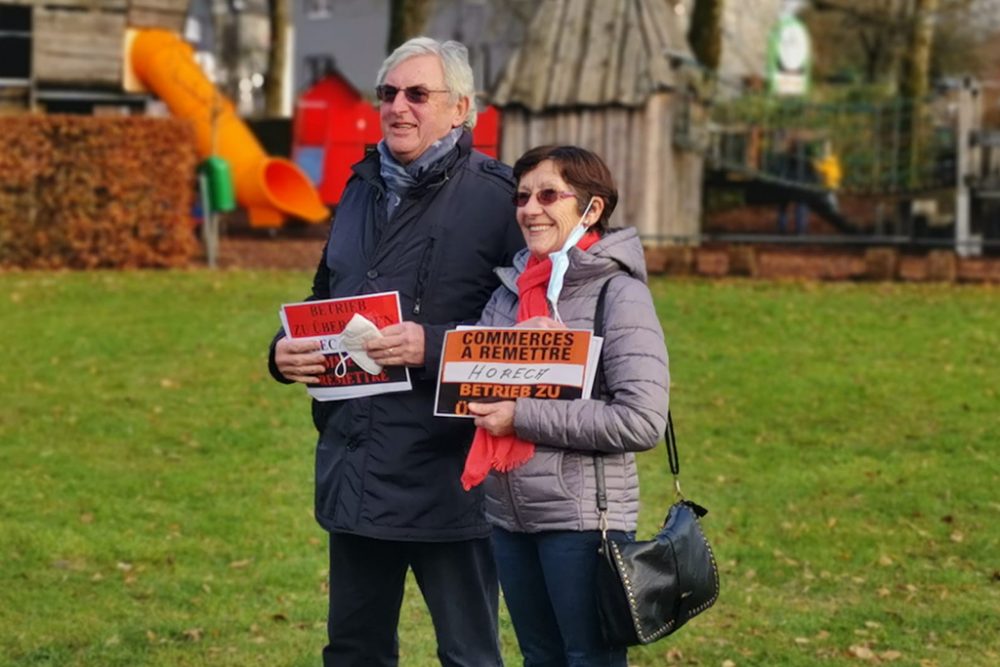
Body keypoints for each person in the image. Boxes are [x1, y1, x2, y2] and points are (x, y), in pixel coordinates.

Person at [267, 37, 523, 667]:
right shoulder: (358, 187)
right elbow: (326, 294)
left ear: (461, 108)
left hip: (449, 472)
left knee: (469, 656)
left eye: (417, 94)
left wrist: (430, 346)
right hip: (356, 463)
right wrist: (282, 352)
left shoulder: (500, 198)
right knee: (353, 651)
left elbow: (529, 336)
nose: (398, 107)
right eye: (387, 94)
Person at [462, 146, 670, 666]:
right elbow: (469, 387)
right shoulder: (509, 292)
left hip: (582, 519)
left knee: (589, 658)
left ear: (592, 209)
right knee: (539, 657)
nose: (530, 209)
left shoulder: (618, 294)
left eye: (549, 195)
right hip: (509, 515)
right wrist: (514, 341)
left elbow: (642, 419)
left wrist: (522, 415)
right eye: (523, 196)